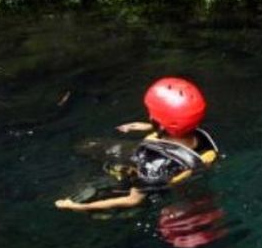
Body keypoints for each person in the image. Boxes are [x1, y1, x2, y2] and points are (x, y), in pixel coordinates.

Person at [55, 77, 220, 212]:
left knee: (85, 147)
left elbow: (133, 200)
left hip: (133, 169)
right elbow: (180, 132)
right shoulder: (202, 139)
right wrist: (149, 126)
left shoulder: (153, 164)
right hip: (171, 167)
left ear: (162, 125)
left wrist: (80, 207)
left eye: (152, 115)